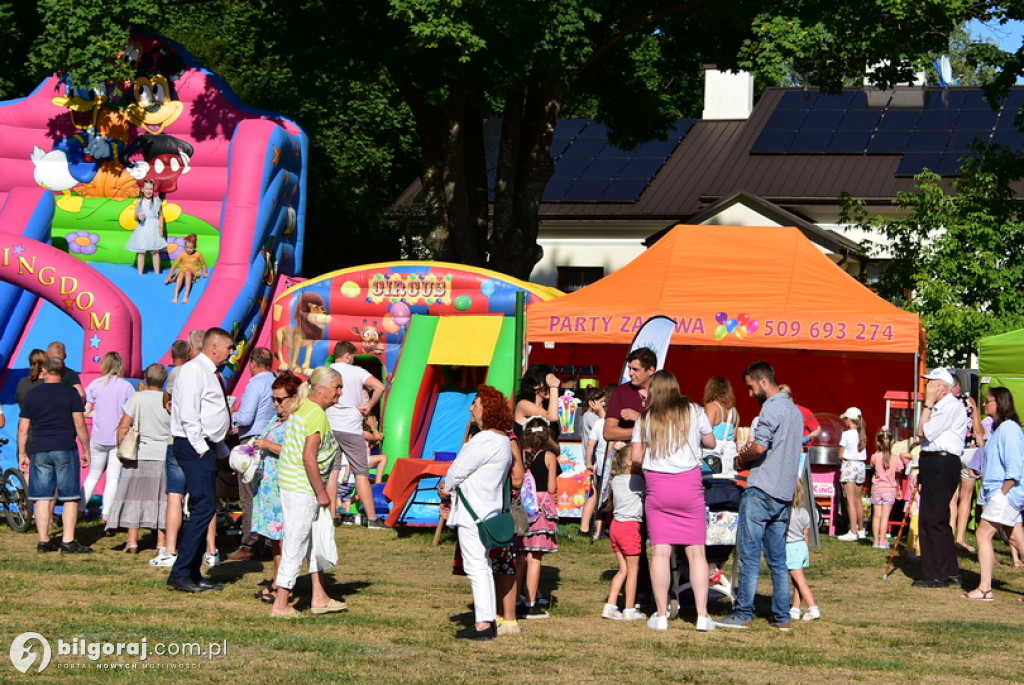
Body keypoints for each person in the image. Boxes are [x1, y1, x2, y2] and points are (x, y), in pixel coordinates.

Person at [715, 361, 802, 631]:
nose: (750, 394)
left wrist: (742, 459)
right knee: (778, 559)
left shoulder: (772, 408)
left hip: (762, 488)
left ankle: (743, 612)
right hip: (784, 492)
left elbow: (761, 446)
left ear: (763, 381)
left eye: (751, 387)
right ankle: (782, 616)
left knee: (749, 555)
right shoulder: (795, 411)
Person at [631, 370, 716, 632]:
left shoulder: (645, 418)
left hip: (658, 486)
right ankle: (702, 615)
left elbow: (636, 457)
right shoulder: (693, 410)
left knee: (660, 551)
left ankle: (660, 614)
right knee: (696, 552)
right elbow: (710, 442)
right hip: (689, 486)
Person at [271, 367, 348, 617]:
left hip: (292, 483)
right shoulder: (315, 414)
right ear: (320, 389)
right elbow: (309, 458)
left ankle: (319, 597)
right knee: (296, 541)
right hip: (302, 488)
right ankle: (281, 603)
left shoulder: (304, 408)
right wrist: (322, 492)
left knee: (313, 540)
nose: (340, 392)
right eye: (337, 387)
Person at [439, 385, 515, 641]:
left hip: (474, 514)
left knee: (477, 568)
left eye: (477, 404)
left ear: (488, 410)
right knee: (483, 566)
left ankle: (483, 623)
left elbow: (456, 471)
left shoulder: (484, 440)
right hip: (488, 511)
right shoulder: (503, 440)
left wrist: (445, 490)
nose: (472, 408)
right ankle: (488, 619)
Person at [166, 328, 234, 593]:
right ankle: (181, 572)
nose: (231, 353)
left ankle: (192, 572)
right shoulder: (195, 370)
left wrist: (221, 452)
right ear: (213, 346)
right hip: (195, 446)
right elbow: (189, 413)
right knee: (204, 506)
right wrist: (200, 447)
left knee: (204, 506)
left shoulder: (208, 372)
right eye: (229, 347)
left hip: (206, 446)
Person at [18, 357, 93, 554]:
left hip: (40, 448)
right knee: (70, 497)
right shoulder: (71, 393)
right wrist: (86, 449)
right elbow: (79, 424)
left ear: (44, 370)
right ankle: (68, 541)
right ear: (64, 372)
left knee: (42, 497)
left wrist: (22, 453)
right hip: (65, 447)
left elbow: (24, 427)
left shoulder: (33, 395)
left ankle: (43, 541)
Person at [960, 387, 1024, 600]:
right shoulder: (999, 429)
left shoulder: (1009, 429)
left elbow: (1015, 467)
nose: (985, 404)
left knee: (982, 534)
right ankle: (985, 588)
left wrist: (1002, 493)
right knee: (1016, 539)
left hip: (1005, 493)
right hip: (999, 492)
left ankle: (985, 588)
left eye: (988, 401)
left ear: (999, 403)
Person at [105, 363, 171, 553]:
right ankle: (161, 542)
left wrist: (121, 446)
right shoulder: (169, 399)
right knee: (162, 500)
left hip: (140, 454)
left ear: (145, 378)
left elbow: (124, 426)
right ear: (164, 379)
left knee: (134, 497)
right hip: (163, 455)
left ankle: (132, 541)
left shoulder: (137, 398)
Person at [913, 368, 968, 589]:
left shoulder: (949, 406)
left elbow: (923, 432)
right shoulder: (942, 406)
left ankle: (936, 573)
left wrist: (926, 405)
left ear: (943, 388)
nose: (928, 388)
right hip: (934, 462)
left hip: (942, 462)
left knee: (931, 519)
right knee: (939, 518)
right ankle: (949, 569)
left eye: (931, 384)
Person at [251, 372, 303, 602]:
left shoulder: (298, 421)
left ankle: (284, 585)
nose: (276, 404)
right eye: (274, 399)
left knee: (284, 538)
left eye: (280, 399)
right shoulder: (277, 419)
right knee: (275, 538)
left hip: (284, 485)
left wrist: (268, 445)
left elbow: (298, 453)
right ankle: (277, 580)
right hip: (268, 487)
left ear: (294, 398)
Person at [325, 341, 387, 529]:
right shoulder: (357, 371)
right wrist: (368, 406)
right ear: (348, 355)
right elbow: (380, 387)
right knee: (361, 472)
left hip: (330, 426)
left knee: (332, 473)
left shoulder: (326, 371)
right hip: (352, 428)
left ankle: (332, 516)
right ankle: (372, 519)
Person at [228, 346, 277, 562]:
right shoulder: (275, 382)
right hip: (272, 441)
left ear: (253, 364)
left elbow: (246, 417)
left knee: (249, 495)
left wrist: (230, 416)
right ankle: (267, 542)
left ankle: (249, 544)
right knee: (265, 495)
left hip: (252, 442)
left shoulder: (255, 384)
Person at [81, 352, 136, 521]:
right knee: (113, 477)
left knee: (93, 475)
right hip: (117, 439)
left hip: (98, 438)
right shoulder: (126, 386)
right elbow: (132, 412)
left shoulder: (95, 384)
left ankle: (80, 508)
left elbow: (86, 411)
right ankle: (107, 514)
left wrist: (97, 414)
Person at [514, 416, 559, 619]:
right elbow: (551, 488)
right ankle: (531, 602)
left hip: (522, 508)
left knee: (521, 557)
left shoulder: (520, 456)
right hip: (540, 509)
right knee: (535, 559)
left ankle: (515, 599)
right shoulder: (549, 456)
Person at [601, 445, 646, 621]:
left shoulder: (616, 479)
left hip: (615, 526)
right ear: (629, 461)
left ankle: (610, 606)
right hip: (629, 527)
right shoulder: (637, 480)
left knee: (623, 569)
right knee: (634, 571)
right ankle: (629, 608)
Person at [952, 372, 985, 554]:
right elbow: (978, 429)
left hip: (953, 450)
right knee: (966, 497)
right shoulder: (970, 401)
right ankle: (961, 537)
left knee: (952, 496)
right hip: (971, 451)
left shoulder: (945, 403)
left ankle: (949, 532)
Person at [604, 348, 655, 443]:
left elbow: (671, 429)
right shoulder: (621, 392)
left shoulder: (664, 392)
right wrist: (645, 431)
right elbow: (608, 433)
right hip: (628, 455)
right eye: (630, 368)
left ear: (650, 370)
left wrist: (640, 418)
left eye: (635, 369)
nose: (630, 373)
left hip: (657, 455)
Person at [786, 479, 820, 622]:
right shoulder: (804, 513)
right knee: (797, 581)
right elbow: (806, 533)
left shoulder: (786, 513)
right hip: (802, 546)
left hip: (790, 547)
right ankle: (796, 608)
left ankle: (813, 608)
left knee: (800, 581)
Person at [869, 428, 909, 549]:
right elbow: (900, 473)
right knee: (885, 517)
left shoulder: (875, 456)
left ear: (878, 442)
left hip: (876, 489)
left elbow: (872, 467)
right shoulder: (896, 458)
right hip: (889, 490)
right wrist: (900, 489)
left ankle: (876, 540)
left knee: (876, 516)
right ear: (892, 442)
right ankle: (883, 540)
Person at [578, 386, 607, 537]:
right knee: (594, 495)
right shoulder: (591, 418)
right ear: (592, 403)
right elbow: (606, 426)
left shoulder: (588, 417)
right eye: (601, 402)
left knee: (595, 494)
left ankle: (592, 528)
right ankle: (586, 528)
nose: (604, 405)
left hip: (594, 461)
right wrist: (602, 413)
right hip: (594, 462)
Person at [836, 407, 868, 541]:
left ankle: (853, 531)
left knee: (850, 501)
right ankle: (861, 529)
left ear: (849, 419)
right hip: (861, 466)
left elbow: (840, 454)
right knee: (858, 500)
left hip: (849, 465)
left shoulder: (846, 434)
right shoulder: (862, 434)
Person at [126, 178, 168, 275]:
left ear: (153, 190)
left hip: (154, 226)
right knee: (141, 251)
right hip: (143, 227)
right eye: (147, 189)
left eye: (151, 189)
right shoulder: (139, 202)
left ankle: (157, 272)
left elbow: (161, 215)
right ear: (142, 189)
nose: (149, 191)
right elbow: (135, 216)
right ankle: (140, 273)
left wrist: (160, 227)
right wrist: (139, 216)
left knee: (155, 251)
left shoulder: (157, 201)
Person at [703, 376, 740, 476]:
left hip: (713, 457)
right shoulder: (734, 411)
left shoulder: (712, 407)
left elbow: (705, 432)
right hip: (729, 458)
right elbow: (734, 438)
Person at [165, 233, 208, 304]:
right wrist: (169, 276)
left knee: (188, 272)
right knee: (181, 273)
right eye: (187, 247)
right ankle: (175, 296)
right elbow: (174, 265)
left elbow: (203, 264)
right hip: (183, 270)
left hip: (192, 271)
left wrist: (205, 272)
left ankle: (186, 295)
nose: (189, 250)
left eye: (191, 248)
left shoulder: (198, 254)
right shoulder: (182, 254)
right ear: (185, 247)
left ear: (195, 247)